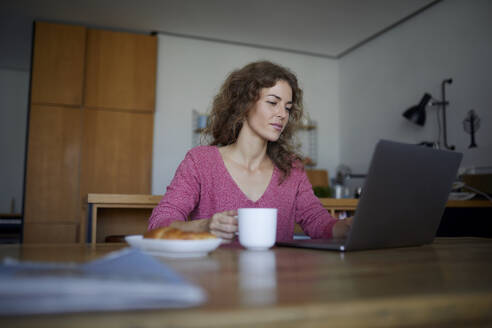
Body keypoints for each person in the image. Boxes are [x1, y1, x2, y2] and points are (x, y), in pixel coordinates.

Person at [148, 61, 352, 241]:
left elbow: (318, 221)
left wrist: (349, 226)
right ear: (244, 104)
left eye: (287, 108)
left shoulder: (292, 168)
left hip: (279, 282)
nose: (282, 114)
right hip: (214, 280)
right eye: (273, 102)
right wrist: (204, 226)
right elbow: (159, 223)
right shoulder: (200, 162)